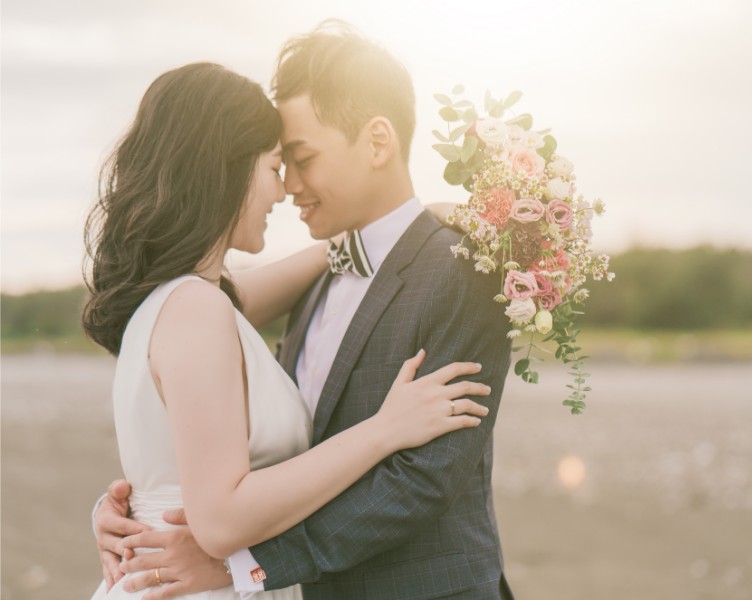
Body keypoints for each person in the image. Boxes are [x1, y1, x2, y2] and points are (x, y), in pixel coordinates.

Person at [95, 21, 516, 600]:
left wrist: (245, 566)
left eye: (301, 158)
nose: (288, 186)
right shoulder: (259, 294)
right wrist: (139, 503)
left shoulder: (459, 267)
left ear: (376, 142)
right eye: (277, 165)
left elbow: (423, 480)